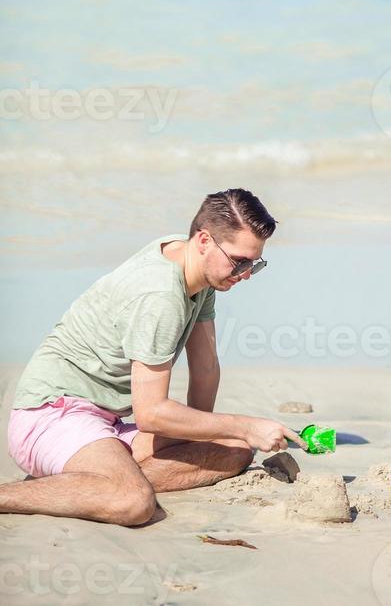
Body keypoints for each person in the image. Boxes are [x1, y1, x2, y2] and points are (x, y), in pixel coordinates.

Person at [2, 188, 306, 527]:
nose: (246, 273)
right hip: (51, 415)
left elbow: (205, 369)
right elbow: (150, 413)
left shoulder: (192, 263)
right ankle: (71, 484)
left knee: (233, 450)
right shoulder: (159, 296)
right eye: (240, 262)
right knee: (133, 502)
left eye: (255, 263)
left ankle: (83, 480)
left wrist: (211, 434)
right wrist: (247, 425)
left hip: (107, 421)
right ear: (204, 240)